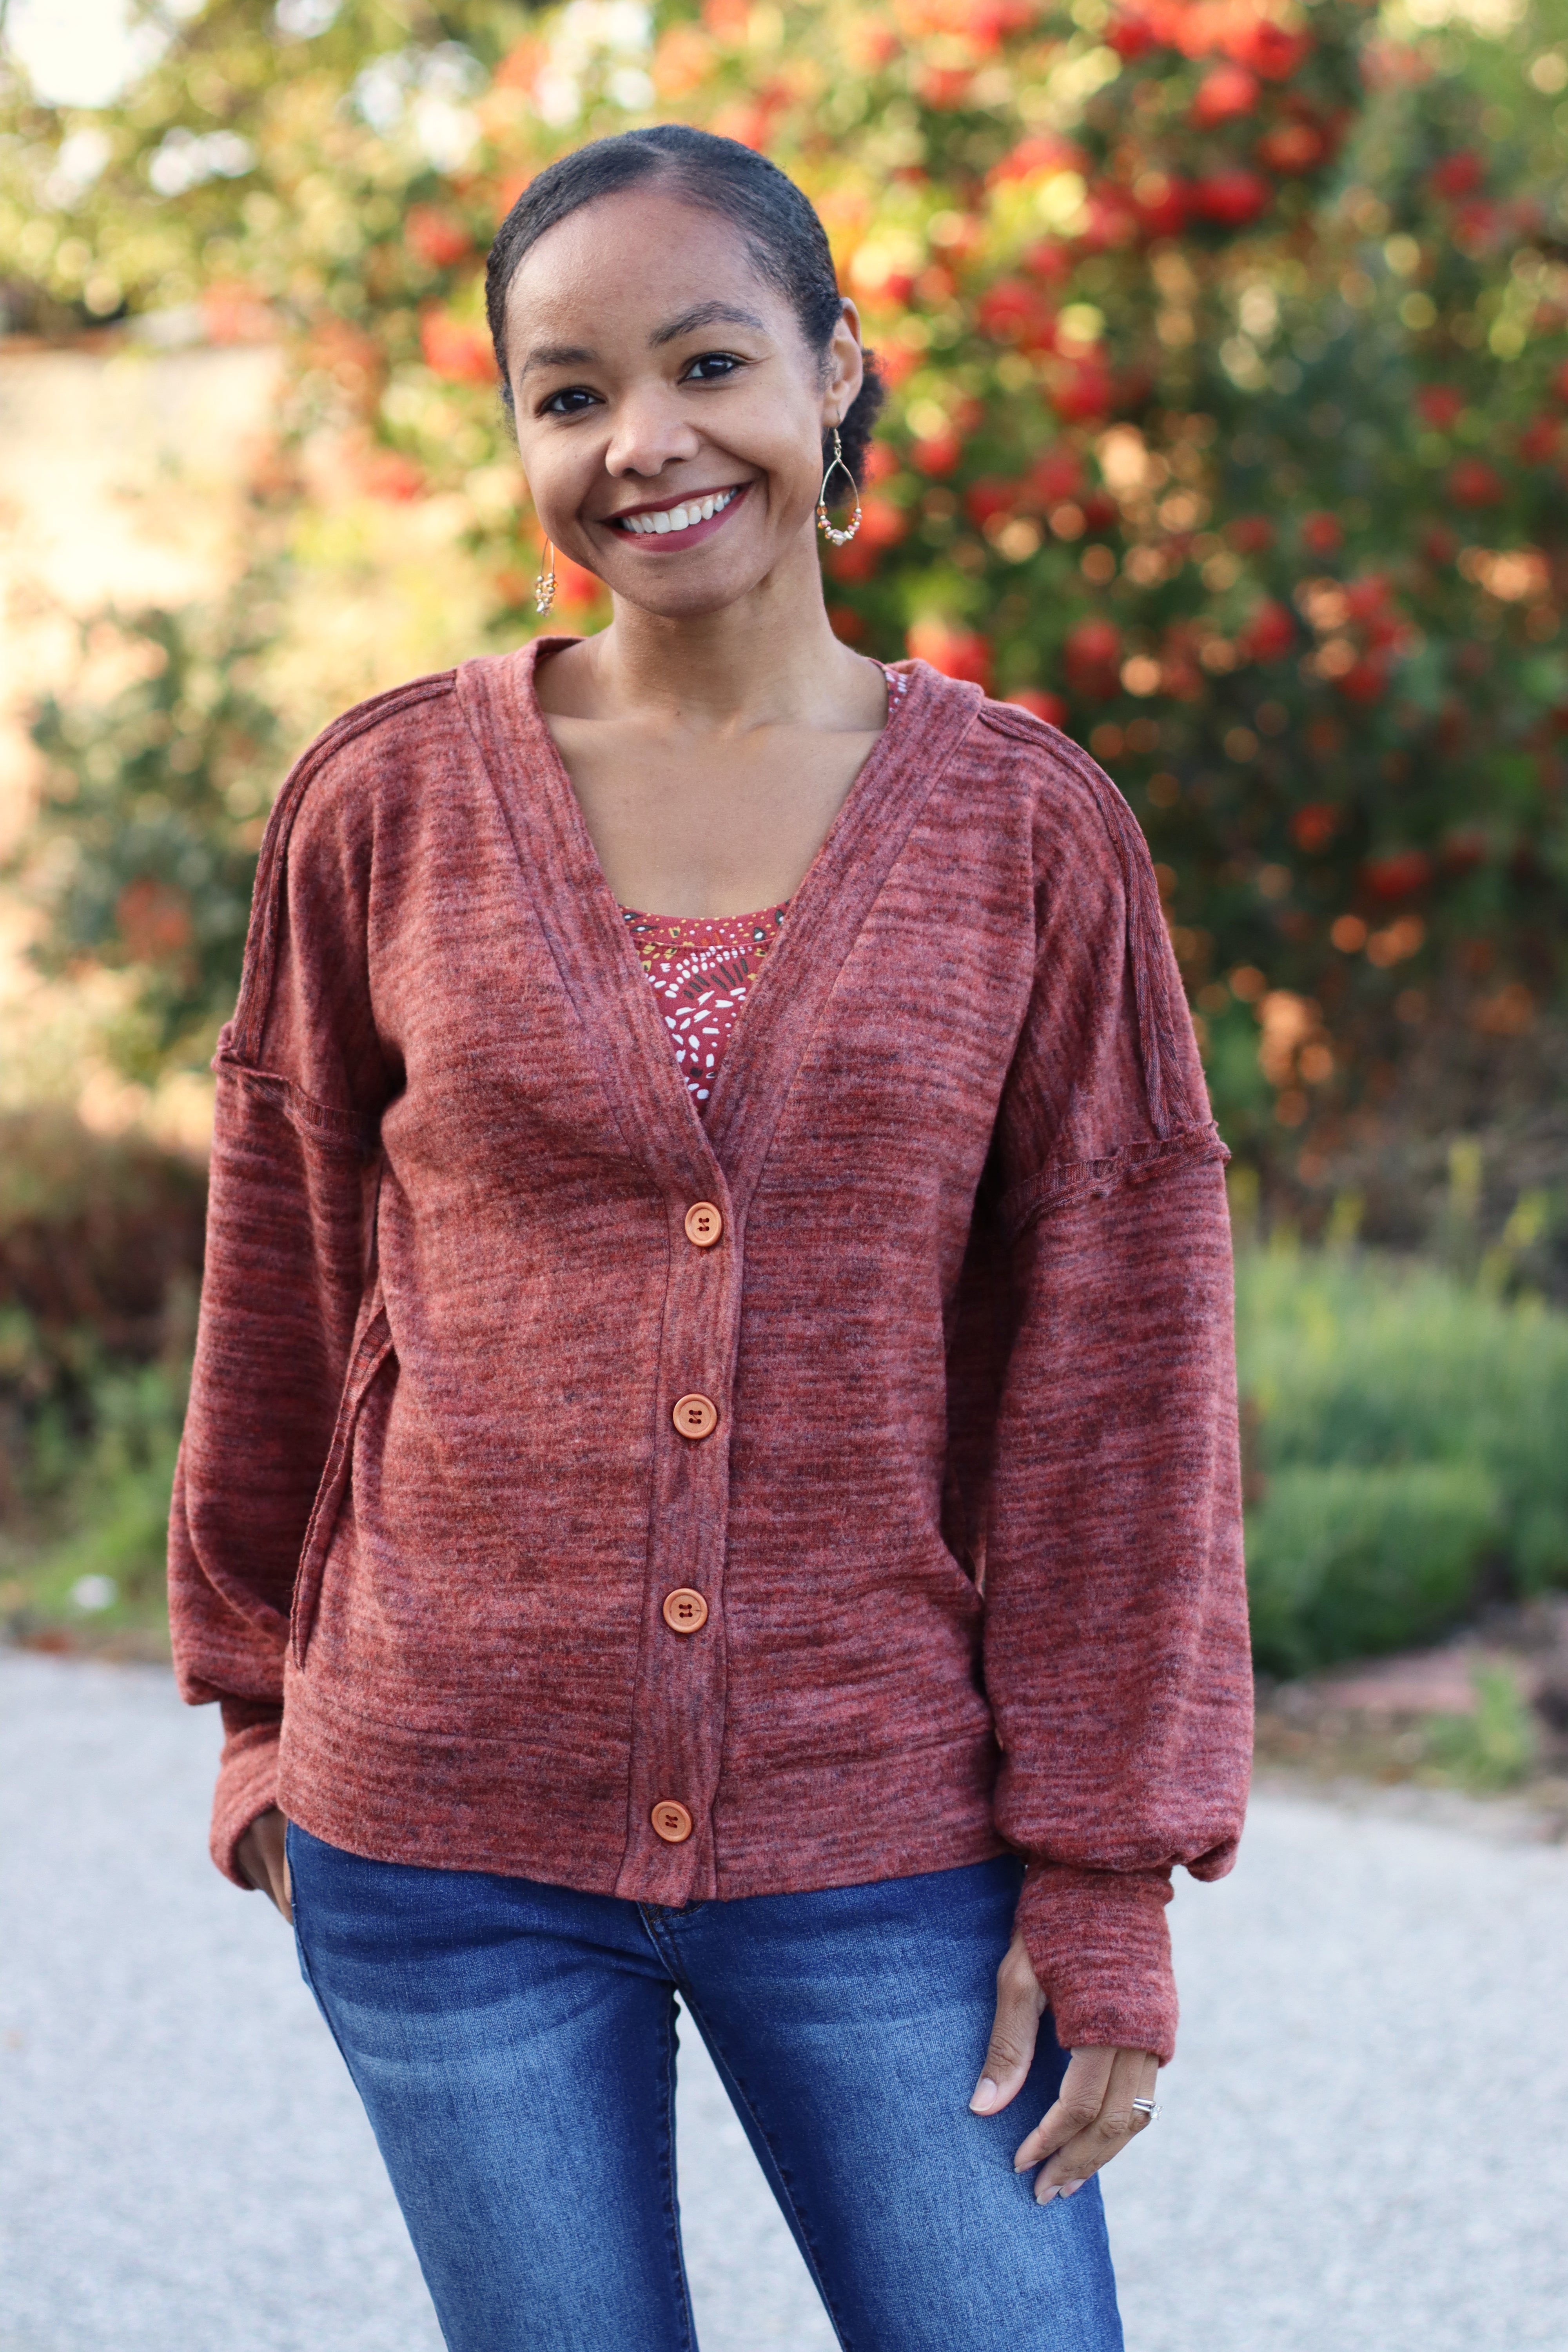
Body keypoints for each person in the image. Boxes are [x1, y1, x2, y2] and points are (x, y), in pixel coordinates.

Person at [169, 123, 1251, 2352]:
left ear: (833, 373)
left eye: (706, 363)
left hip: (885, 1840)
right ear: (518, 442)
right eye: (568, 394)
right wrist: (257, 1709)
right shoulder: (380, 806)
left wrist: (1107, 1866)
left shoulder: (1028, 836)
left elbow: (1121, 1368)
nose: (644, 443)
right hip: (439, 1837)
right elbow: (282, 1266)